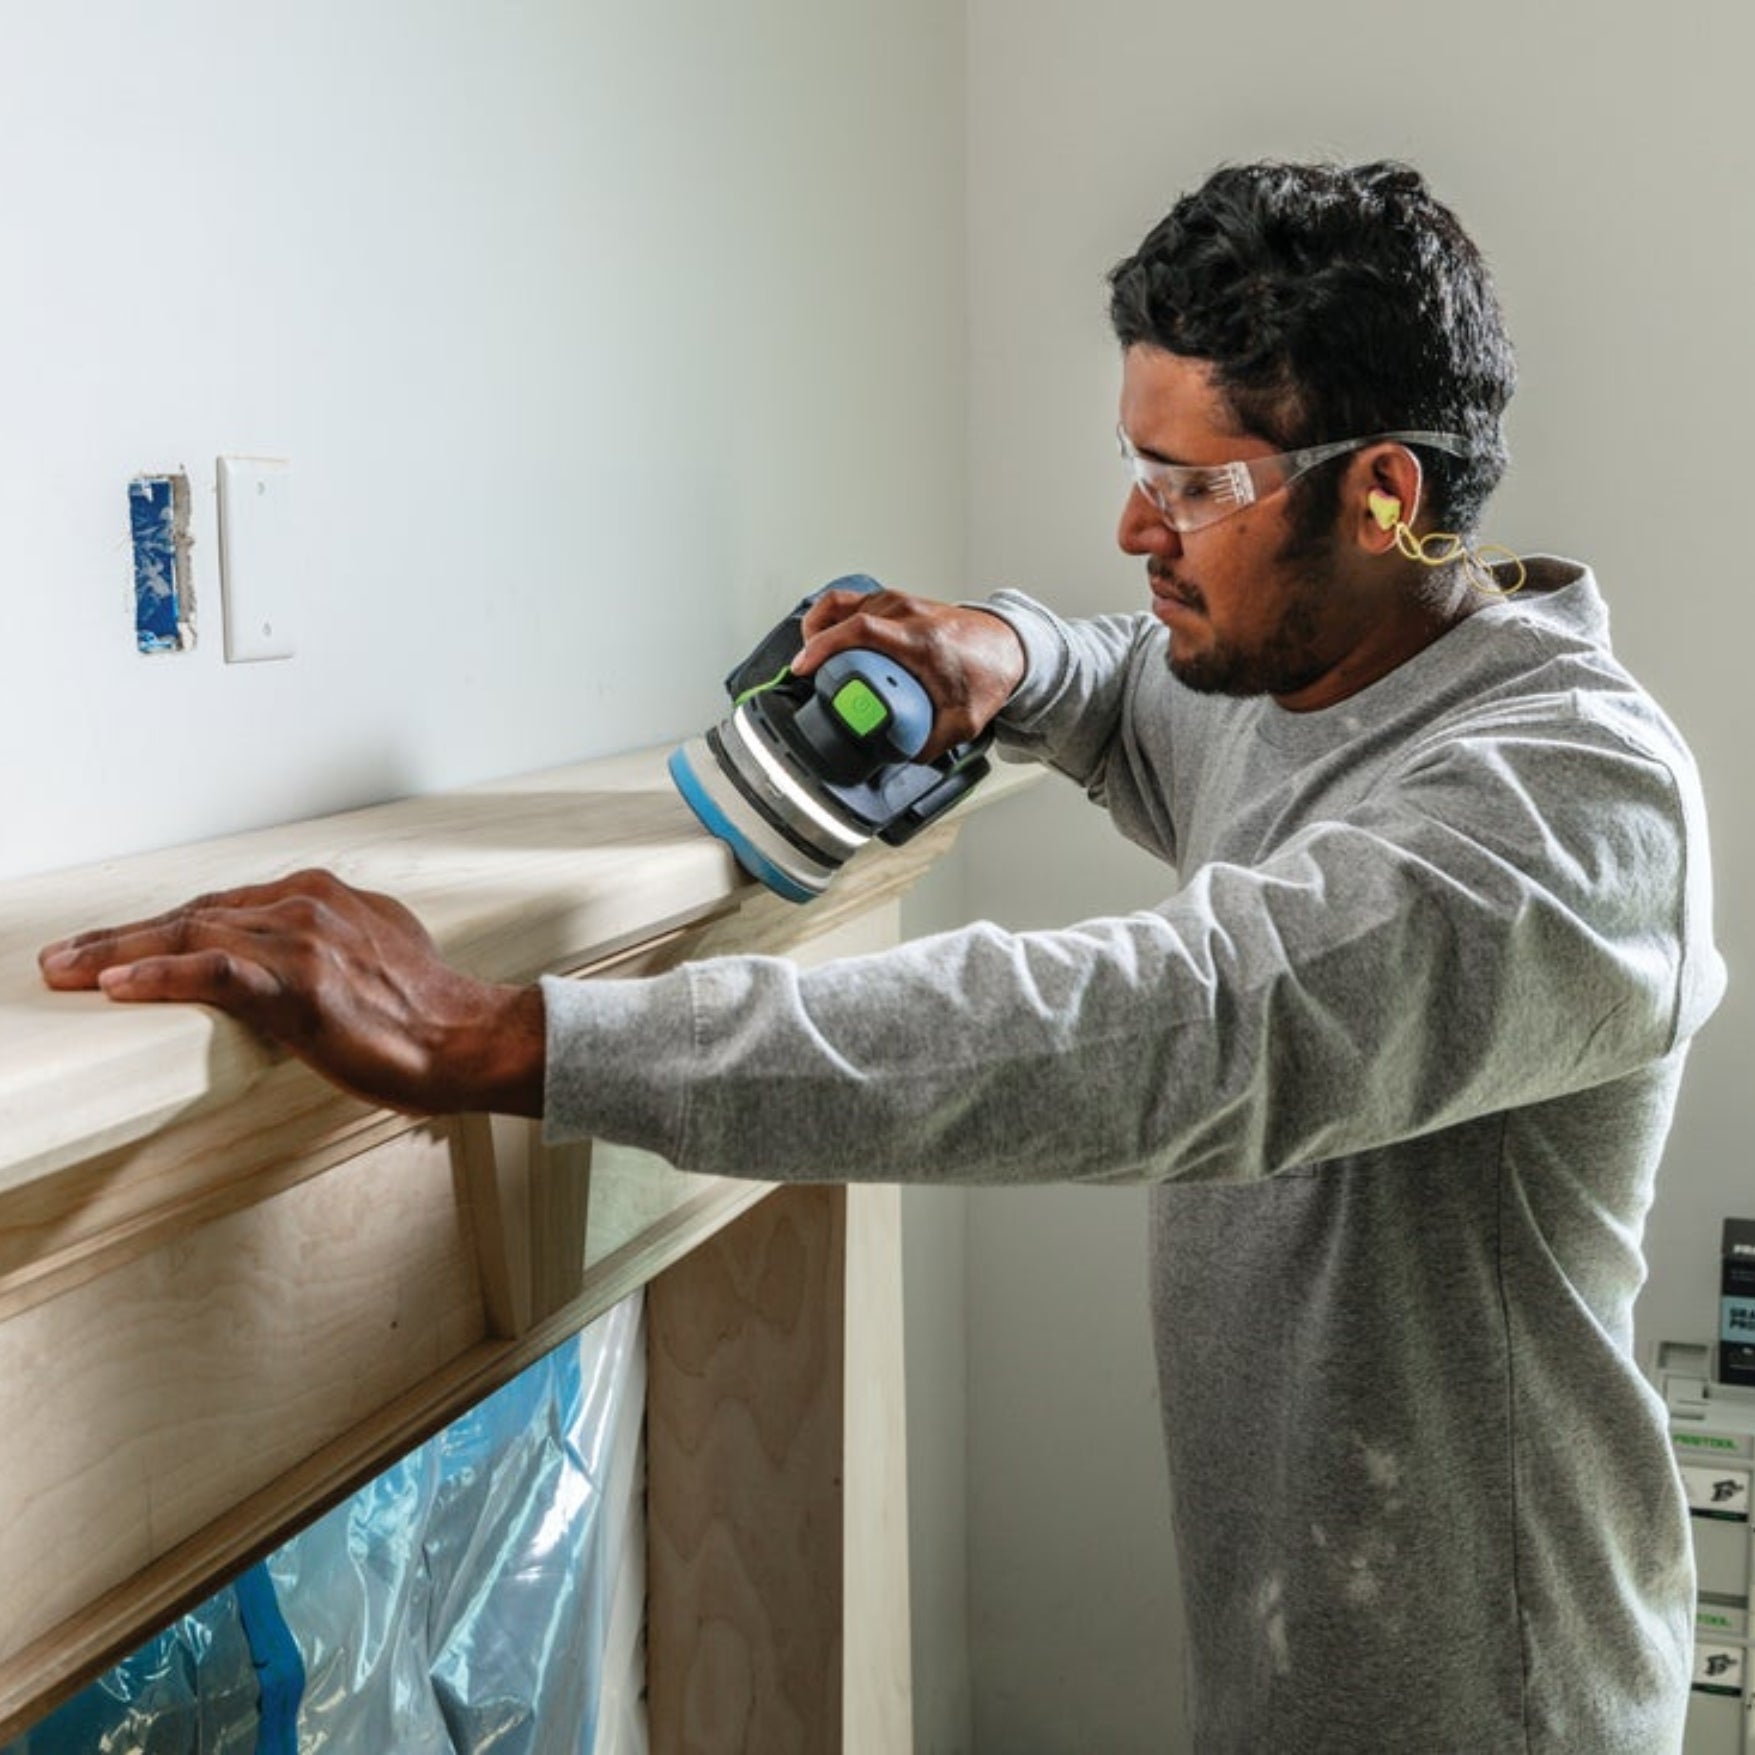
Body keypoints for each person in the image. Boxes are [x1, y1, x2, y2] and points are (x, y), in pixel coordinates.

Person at [40, 160, 1723, 1751]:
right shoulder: (1317, 670)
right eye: (1136, 469)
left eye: (1190, 486)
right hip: (1292, 1654)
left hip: (1493, 1697)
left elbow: (1176, 1026)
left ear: (1383, 493)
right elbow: (1128, 678)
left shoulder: (1564, 817)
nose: (1139, 532)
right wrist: (996, 648)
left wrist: (519, 1037)